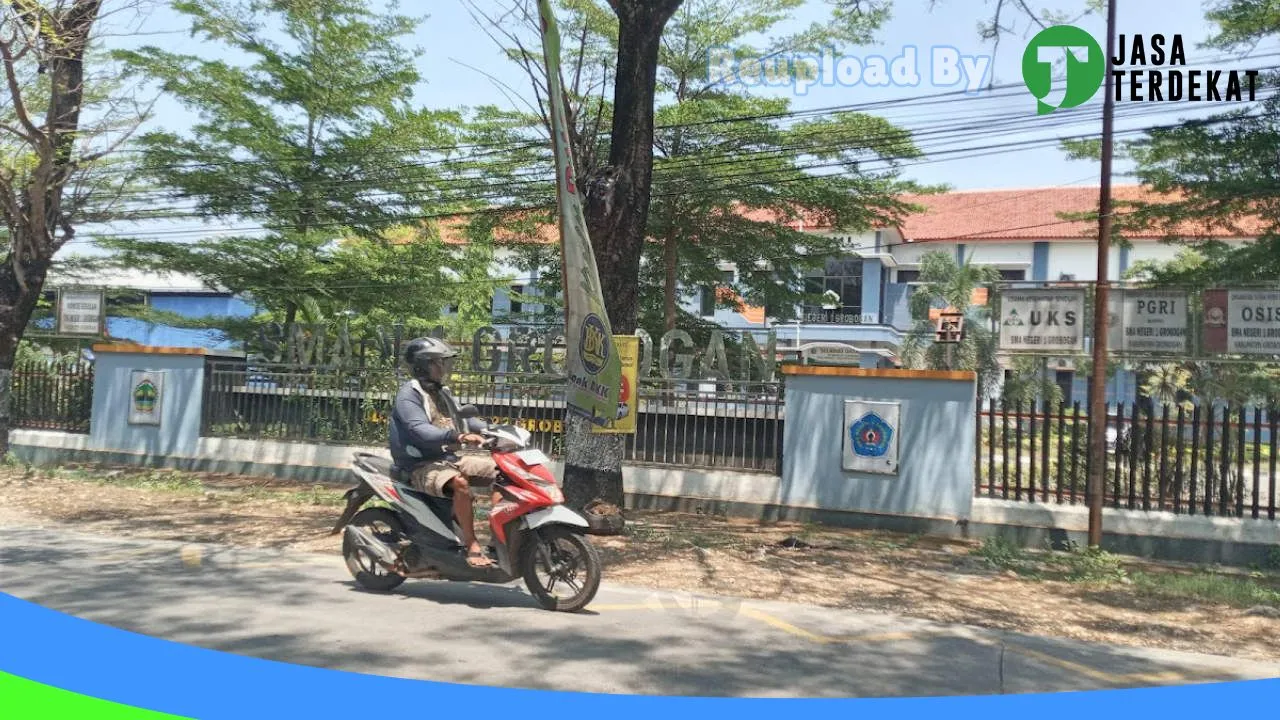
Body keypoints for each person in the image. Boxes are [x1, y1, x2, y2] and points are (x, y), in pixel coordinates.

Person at [389, 336, 500, 568]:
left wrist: (496, 430)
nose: (443, 368)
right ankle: (471, 545)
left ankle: (500, 540)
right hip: (419, 465)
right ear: (421, 366)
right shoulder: (409, 394)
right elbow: (419, 430)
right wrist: (456, 436)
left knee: (504, 471)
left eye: (443, 363)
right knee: (460, 483)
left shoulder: (443, 392)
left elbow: (465, 419)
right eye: (437, 363)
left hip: (449, 459)